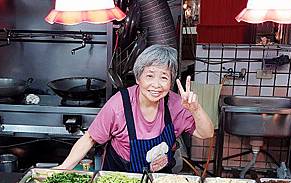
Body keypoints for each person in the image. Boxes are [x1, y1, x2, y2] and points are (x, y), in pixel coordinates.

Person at [57, 44, 214, 173]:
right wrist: (63, 168)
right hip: (120, 177)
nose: (156, 85)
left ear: (171, 82)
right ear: (138, 78)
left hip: (157, 180)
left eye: (164, 77)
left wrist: (195, 109)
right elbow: (90, 138)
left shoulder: (176, 104)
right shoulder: (119, 104)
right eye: (150, 76)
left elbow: (207, 133)